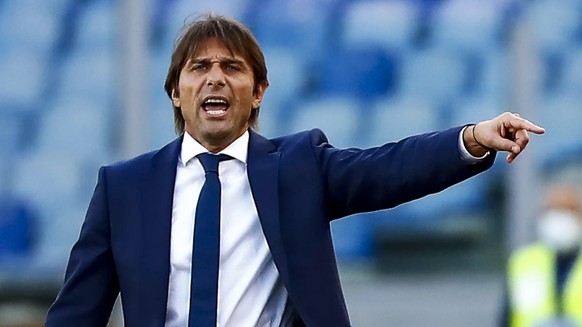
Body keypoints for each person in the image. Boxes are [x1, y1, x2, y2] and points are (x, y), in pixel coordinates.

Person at [45, 14, 545, 327]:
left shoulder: (298, 167)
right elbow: (77, 312)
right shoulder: (124, 188)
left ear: (258, 91)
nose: (215, 77)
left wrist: (473, 137)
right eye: (198, 67)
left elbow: (388, 169)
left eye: (233, 67)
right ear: (176, 92)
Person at [501, 184, 582, 327]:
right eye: (552, 211)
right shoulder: (523, 262)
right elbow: (506, 317)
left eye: (566, 211)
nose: (558, 221)